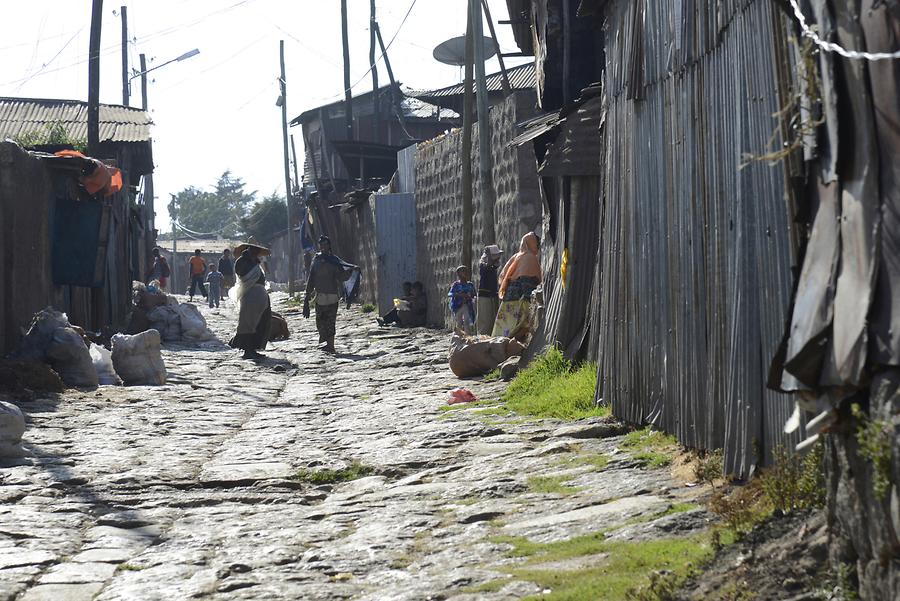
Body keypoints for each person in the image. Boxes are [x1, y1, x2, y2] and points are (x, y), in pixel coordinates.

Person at [303, 235, 358, 353]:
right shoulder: (316, 260)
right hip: (320, 296)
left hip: (332, 296)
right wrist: (306, 298)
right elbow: (311, 278)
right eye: (321, 245)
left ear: (329, 246)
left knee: (330, 322)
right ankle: (326, 343)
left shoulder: (334, 260)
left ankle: (330, 346)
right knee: (320, 321)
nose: (323, 247)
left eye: (325, 244)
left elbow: (341, 276)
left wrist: (351, 271)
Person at [492, 232, 542, 340]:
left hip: (509, 298)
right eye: (537, 244)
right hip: (523, 297)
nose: (538, 247)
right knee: (522, 324)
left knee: (506, 323)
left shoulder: (516, 256)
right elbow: (534, 279)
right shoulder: (531, 258)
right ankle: (513, 343)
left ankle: (500, 343)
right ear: (532, 244)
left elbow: (503, 274)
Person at [229, 242, 272, 359]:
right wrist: (251, 262)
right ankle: (248, 350)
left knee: (260, 322)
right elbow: (243, 274)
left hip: (259, 296)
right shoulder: (242, 262)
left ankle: (253, 348)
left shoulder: (254, 263)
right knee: (248, 323)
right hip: (250, 296)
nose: (257, 255)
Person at [476, 244, 503, 335]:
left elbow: (494, 265)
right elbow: (487, 267)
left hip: (493, 294)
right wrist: (489, 256)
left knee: (492, 318)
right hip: (485, 295)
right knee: (485, 318)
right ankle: (483, 338)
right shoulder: (482, 264)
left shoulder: (493, 265)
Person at [448, 265, 477, 335]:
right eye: (463, 271)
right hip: (458, 306)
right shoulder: (456, 285)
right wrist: (459, 295)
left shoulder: (470, 285)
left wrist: (469, 296)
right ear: (458, 274)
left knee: (467, 321)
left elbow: (474, 294)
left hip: (467, 305)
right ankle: (459, 337)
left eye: (466, 271)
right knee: (459, 322)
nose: (465, 273)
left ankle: (467, 337)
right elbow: (450, 294)